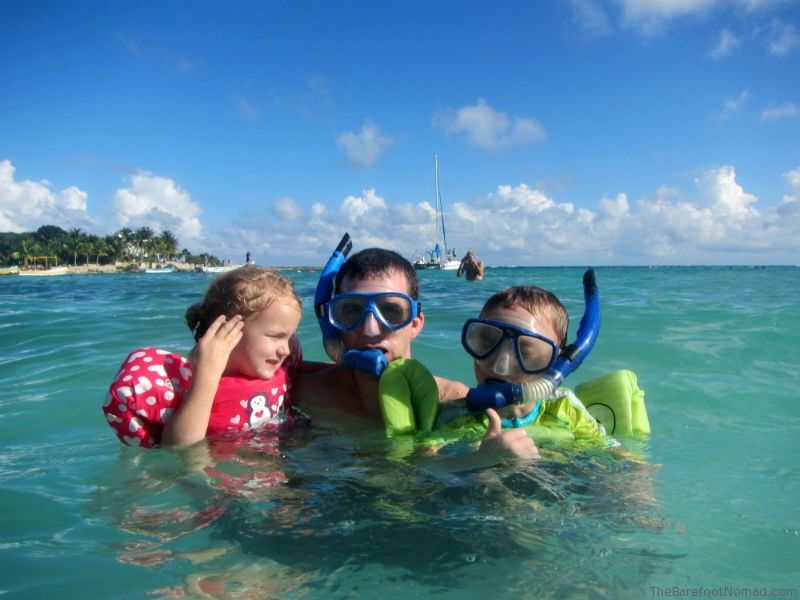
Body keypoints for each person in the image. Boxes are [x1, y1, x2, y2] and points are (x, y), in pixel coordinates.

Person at [103, 266, 304, 448]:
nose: (286, 350)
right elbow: (178, 448)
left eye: (288, 338)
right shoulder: (196, 385)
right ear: (227, 330)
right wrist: (205, 377)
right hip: (229, 482)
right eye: (275, 337)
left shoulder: (277, 370)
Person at [294, 247, 469, 424]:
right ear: (334, 324)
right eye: (353, 310)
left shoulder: (455, 402)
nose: (370, 329)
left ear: (415, 324)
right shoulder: (304, 396)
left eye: (390, 311)